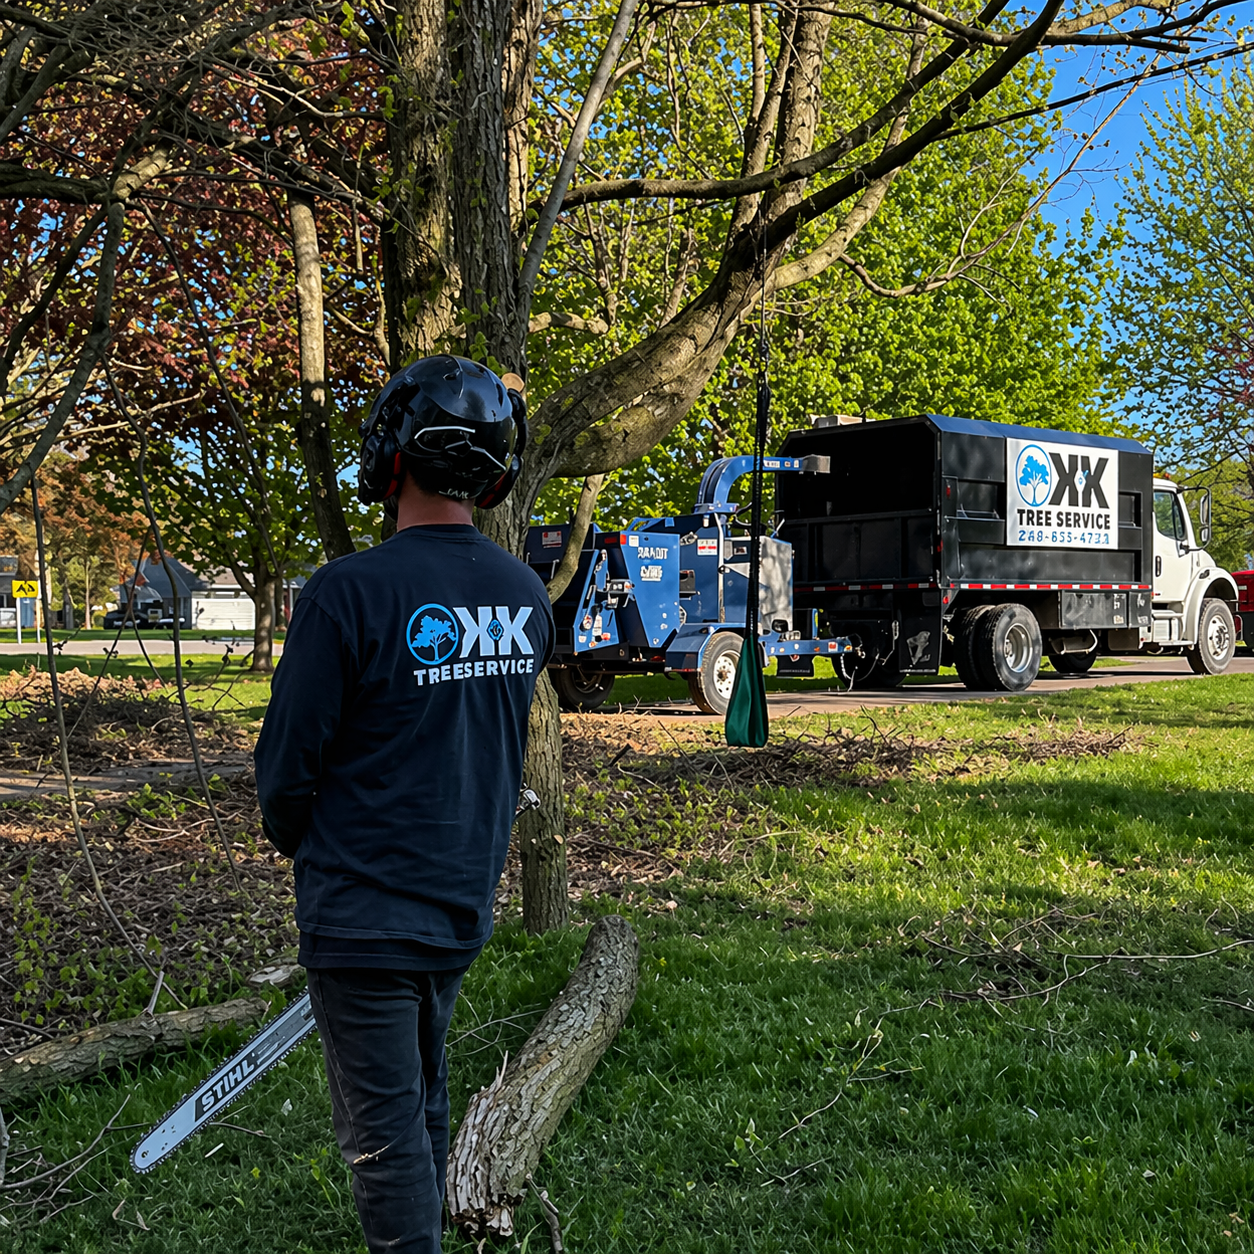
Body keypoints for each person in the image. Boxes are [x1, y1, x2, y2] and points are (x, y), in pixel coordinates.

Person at [255, 355, 554, 1254]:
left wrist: (310, 846)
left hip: (363, 917)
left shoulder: (347, 594)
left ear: (393, 455)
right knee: (422, 1101)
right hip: (457, 908)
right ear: (494, 469)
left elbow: (285, 777)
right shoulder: (525, 597)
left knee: (384, 1144)